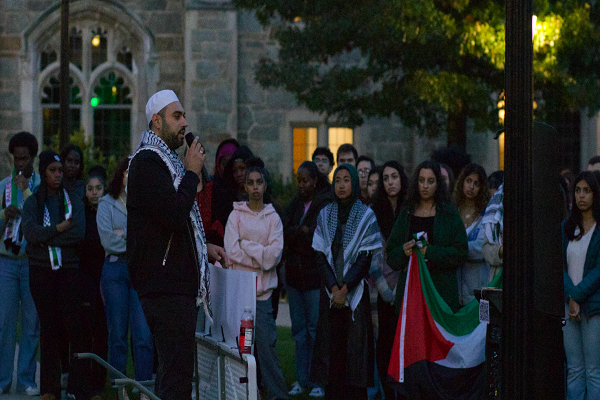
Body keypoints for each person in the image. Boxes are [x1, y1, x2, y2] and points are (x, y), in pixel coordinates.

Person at [127, 90, 227, 400]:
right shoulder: (147, 162)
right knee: (175, 378)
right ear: (156, 122)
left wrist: (202, 246)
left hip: (175, 284)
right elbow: (173, 213)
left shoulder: (167, 161)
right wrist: (191, 172)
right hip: (164, 284)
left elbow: (172, 220)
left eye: (184, 115)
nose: (184, 122)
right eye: (176, 116)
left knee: (176, 374)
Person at [22, 150, 91, 400]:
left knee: (76, 328)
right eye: (53, 170)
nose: (58, 175)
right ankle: (50, 389)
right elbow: (30, 233)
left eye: (60, 170)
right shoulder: (33, 203)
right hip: (41, 272)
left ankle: (80, 387)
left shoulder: (72, 200)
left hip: (68, 270)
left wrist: (48, 235)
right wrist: (59, 229)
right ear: (43, 172)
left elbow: (78, 233)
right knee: (49, 328)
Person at [311, 164, 382, 400]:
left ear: (354, 183)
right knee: (333, 356)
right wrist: (333, 288)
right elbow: (320, 256)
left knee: (355, 357)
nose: (341, 185)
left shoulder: (366, 215)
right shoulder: (324, 214)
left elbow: (365, 258)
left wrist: (344, 289)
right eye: (337, 180)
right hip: (330, 295)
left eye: (346, 180)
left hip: (355, 297)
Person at [224, 166, 288, 400]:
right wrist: (259, 256)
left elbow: (273, 258)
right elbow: (231, 251)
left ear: (265, 185)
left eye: (258, 182)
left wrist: (247, 245)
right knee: (240, 349)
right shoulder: (236, 215)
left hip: (262, 295)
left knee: (267, 349)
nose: (254, 187)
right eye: (250, 183)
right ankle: (242, 393)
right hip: (240, 292)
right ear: (245, 186)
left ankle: (277, 394)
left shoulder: (273, 219)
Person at [97, 157, 154, 385]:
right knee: (118, 334)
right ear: (120, 174)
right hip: (115, 271)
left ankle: (144, 388)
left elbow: (150, 239)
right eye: (129, 172)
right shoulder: (106, 204)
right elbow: (109, 242)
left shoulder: (145, 205)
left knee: (143, 335)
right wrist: (133, 239)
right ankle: (118, 386)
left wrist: (123, 233)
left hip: (139, 271)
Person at [387, 160, 468, 314]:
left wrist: (430, 252)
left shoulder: (449, 214)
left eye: (430, 181)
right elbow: (391, 255)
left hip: (440, 294)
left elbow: (461, 252)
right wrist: (404, 251)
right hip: (411, 295)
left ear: (438, 184)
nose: (425, 186)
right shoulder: (406, 214)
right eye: (421, 180)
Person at [283, 161, 332, 397]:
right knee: (299, 332)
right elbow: (285, 231)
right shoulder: (294, 204)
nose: (301, 185)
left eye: (305, 180)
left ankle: (318, 381)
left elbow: (316, 239)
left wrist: (300, 233)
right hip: (294, 278)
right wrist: (299, 232)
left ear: (315, 181)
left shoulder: (324, 203)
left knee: (315, 331)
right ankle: (301, 379)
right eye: (298, 180)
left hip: (314, 279)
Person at [0, 132, 40, 395]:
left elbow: (39, 217)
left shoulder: (38, 186)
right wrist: (5, 213)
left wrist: (25, 192)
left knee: (31, 321)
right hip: (6, 262)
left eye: (24, 159)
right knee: (4, 322)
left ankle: (26, 379)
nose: (20, 164)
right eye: (16, 159)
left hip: (32, 262)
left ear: (33, 158)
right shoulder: (3, 185)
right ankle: (3, 380)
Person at [369, 160, 408, 399]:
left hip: (408, 291)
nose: (390, 182)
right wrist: (389, 295)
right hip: (383, 294)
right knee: (384, 347)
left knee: (405, 348)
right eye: (385, 178)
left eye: (394, 176)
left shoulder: (410, 210)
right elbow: (374, 262)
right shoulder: (374, 214)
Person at [562, 171, 600, 400]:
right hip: (569, 306)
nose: (581, 195)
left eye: (587, 190)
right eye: (578, 190)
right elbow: (559, 267)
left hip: (593, 307)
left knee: (594, 372)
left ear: (595, 195)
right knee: (575, 370)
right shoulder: (567, 227)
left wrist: (576, 295)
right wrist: (571, 297)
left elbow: (598, 270)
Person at [79, 166, 109, 395]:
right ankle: (82, 383)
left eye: (98, 188)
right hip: (85, 276)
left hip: (106, 273)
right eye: (90, 188)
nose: (94, 192)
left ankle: (99, 383)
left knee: (103, 330)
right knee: (85, 330)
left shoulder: (109, 210)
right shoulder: (81, 212)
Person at [455, 164, 490, 306]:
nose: (471, 187)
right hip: (456, 286)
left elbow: (481, 248)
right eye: (469, 181)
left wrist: (455, 250)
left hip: (477, 287)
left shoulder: (485, 215)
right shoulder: (454, 212)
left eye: (476, 183)